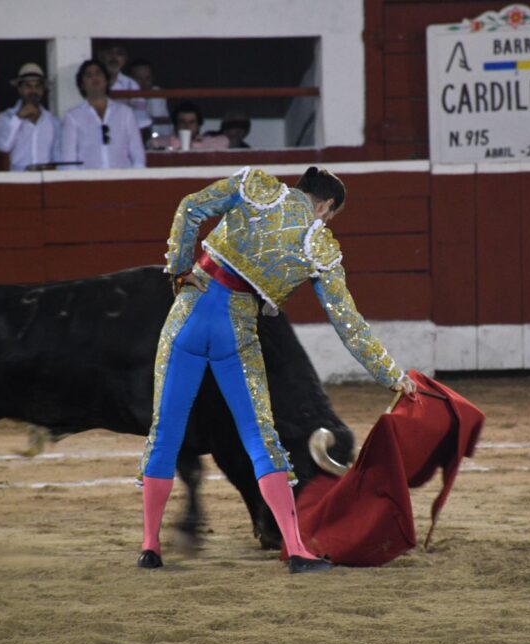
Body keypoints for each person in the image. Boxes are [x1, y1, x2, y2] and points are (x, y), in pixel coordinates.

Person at [137, 166, 418, 574]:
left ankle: (150, 547)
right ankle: (296, 549)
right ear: (326, 205)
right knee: (260, 438)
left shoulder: (256, 185)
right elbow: (349, 326)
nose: (326, 221)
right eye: (330, 215)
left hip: (189, 314)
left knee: (166, 431)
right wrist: (394, 376)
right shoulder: (317, 244)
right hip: (237, 331)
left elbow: (190, 207)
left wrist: (179, 268)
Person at [61, 59, 145, 169]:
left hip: (122, 180)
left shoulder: (125, 113)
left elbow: (137, 154)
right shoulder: (73, 116)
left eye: (98, 73)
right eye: (89, 75)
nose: (94, 78)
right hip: (87, 181)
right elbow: (68, 160)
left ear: (106, 80)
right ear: (82, 84)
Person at [0, 63, 62, 171]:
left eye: (37, 86)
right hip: (19, 181)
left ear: (43, 90)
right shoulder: (6, 117)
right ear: (20, 89)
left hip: (45, 181)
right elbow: (4, 147)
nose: (33, 91)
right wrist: (18, 117)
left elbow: (58, 156)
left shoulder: (53, 121)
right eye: (28, 86)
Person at [149, 100, 228, 151]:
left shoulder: (209, 142)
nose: (187, 126)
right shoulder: (161, 142)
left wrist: (193, 144)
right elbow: (153, 142)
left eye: (191, 122)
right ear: (176, 124)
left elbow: (224, 141)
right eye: (182, 122)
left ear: (198, 125)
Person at [128, 58, 171, 144]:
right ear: (129, 79)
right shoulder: (123, 94)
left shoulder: (157, 94)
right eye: (138, 78)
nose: (143, 83)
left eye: (147, 78)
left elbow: (161, 132)